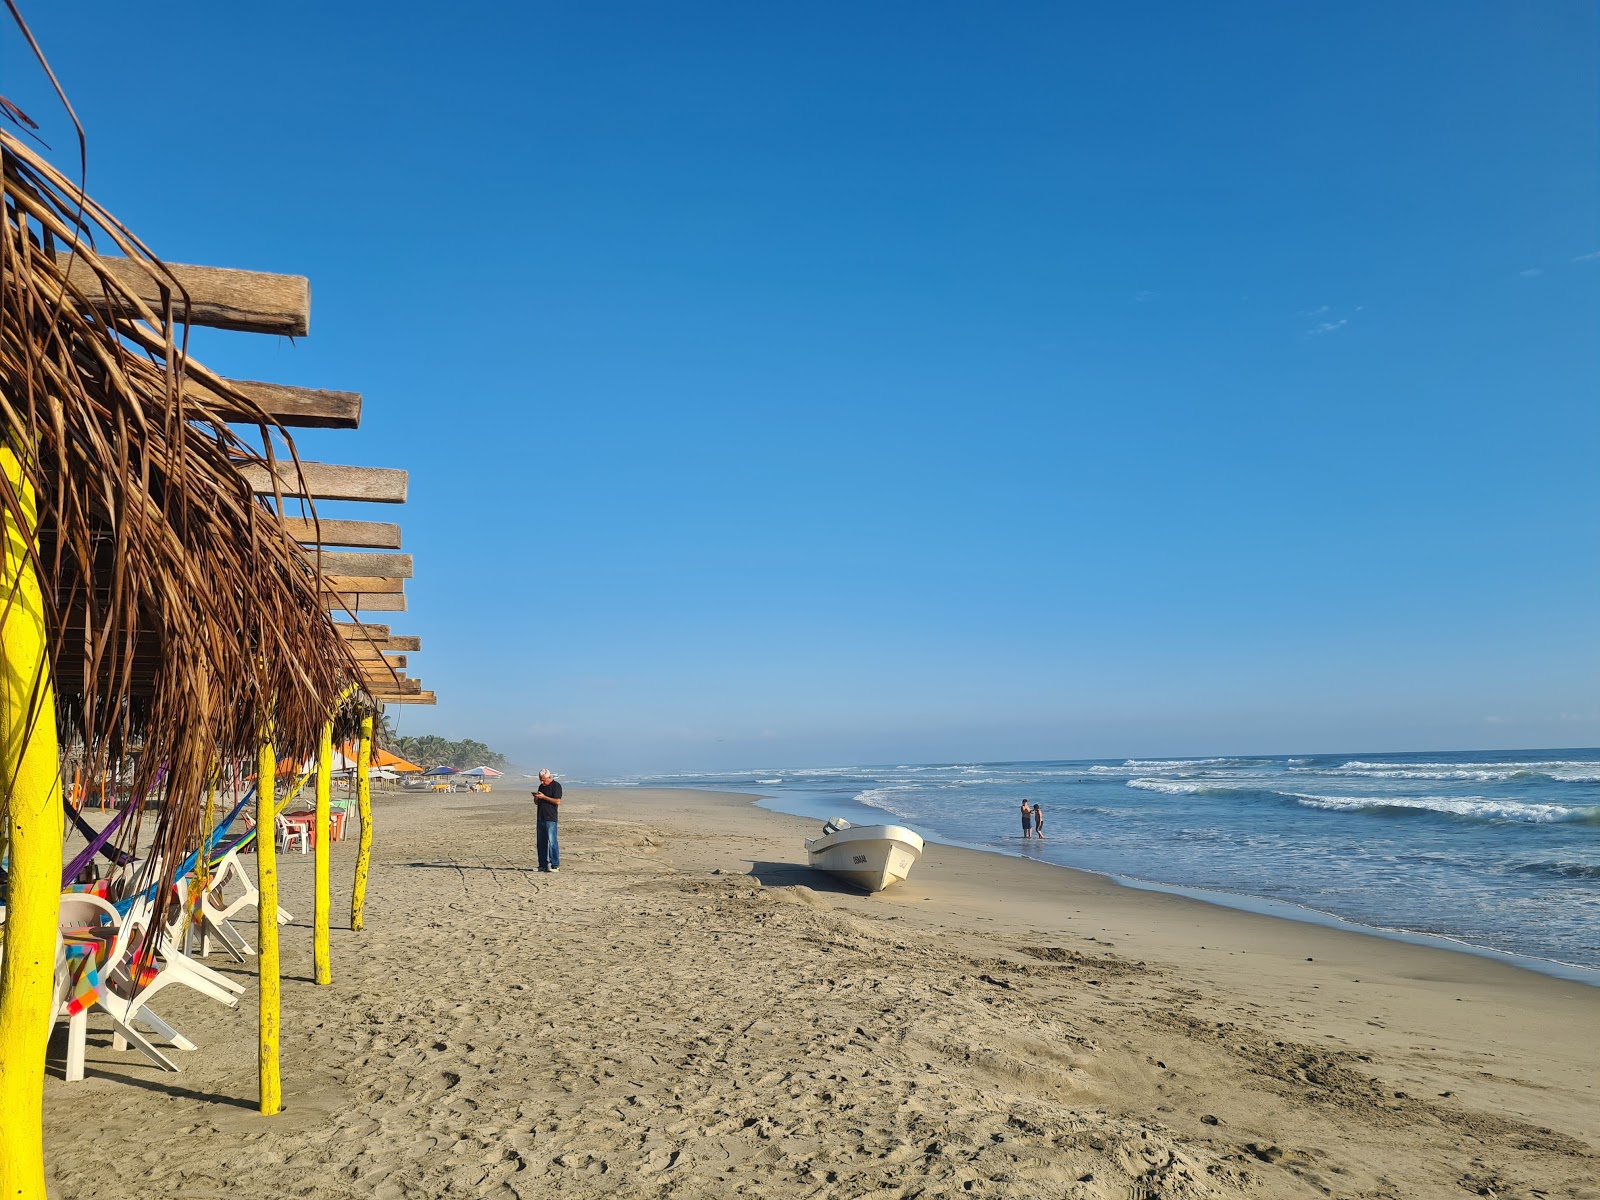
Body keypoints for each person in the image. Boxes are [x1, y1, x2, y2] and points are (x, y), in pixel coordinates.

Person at [534, 769, 563, 872]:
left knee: (552, 842)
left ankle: (555, 865)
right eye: (540, 780)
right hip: (540, 817)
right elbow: (537, 803)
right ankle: (542, 865)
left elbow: (557, 801)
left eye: (543, 780)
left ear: (549, 777)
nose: (542, 782)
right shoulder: (541, 787)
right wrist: (537, 798)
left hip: (551, 818)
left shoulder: (556, 786)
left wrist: (544, 797)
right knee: (541, 843)